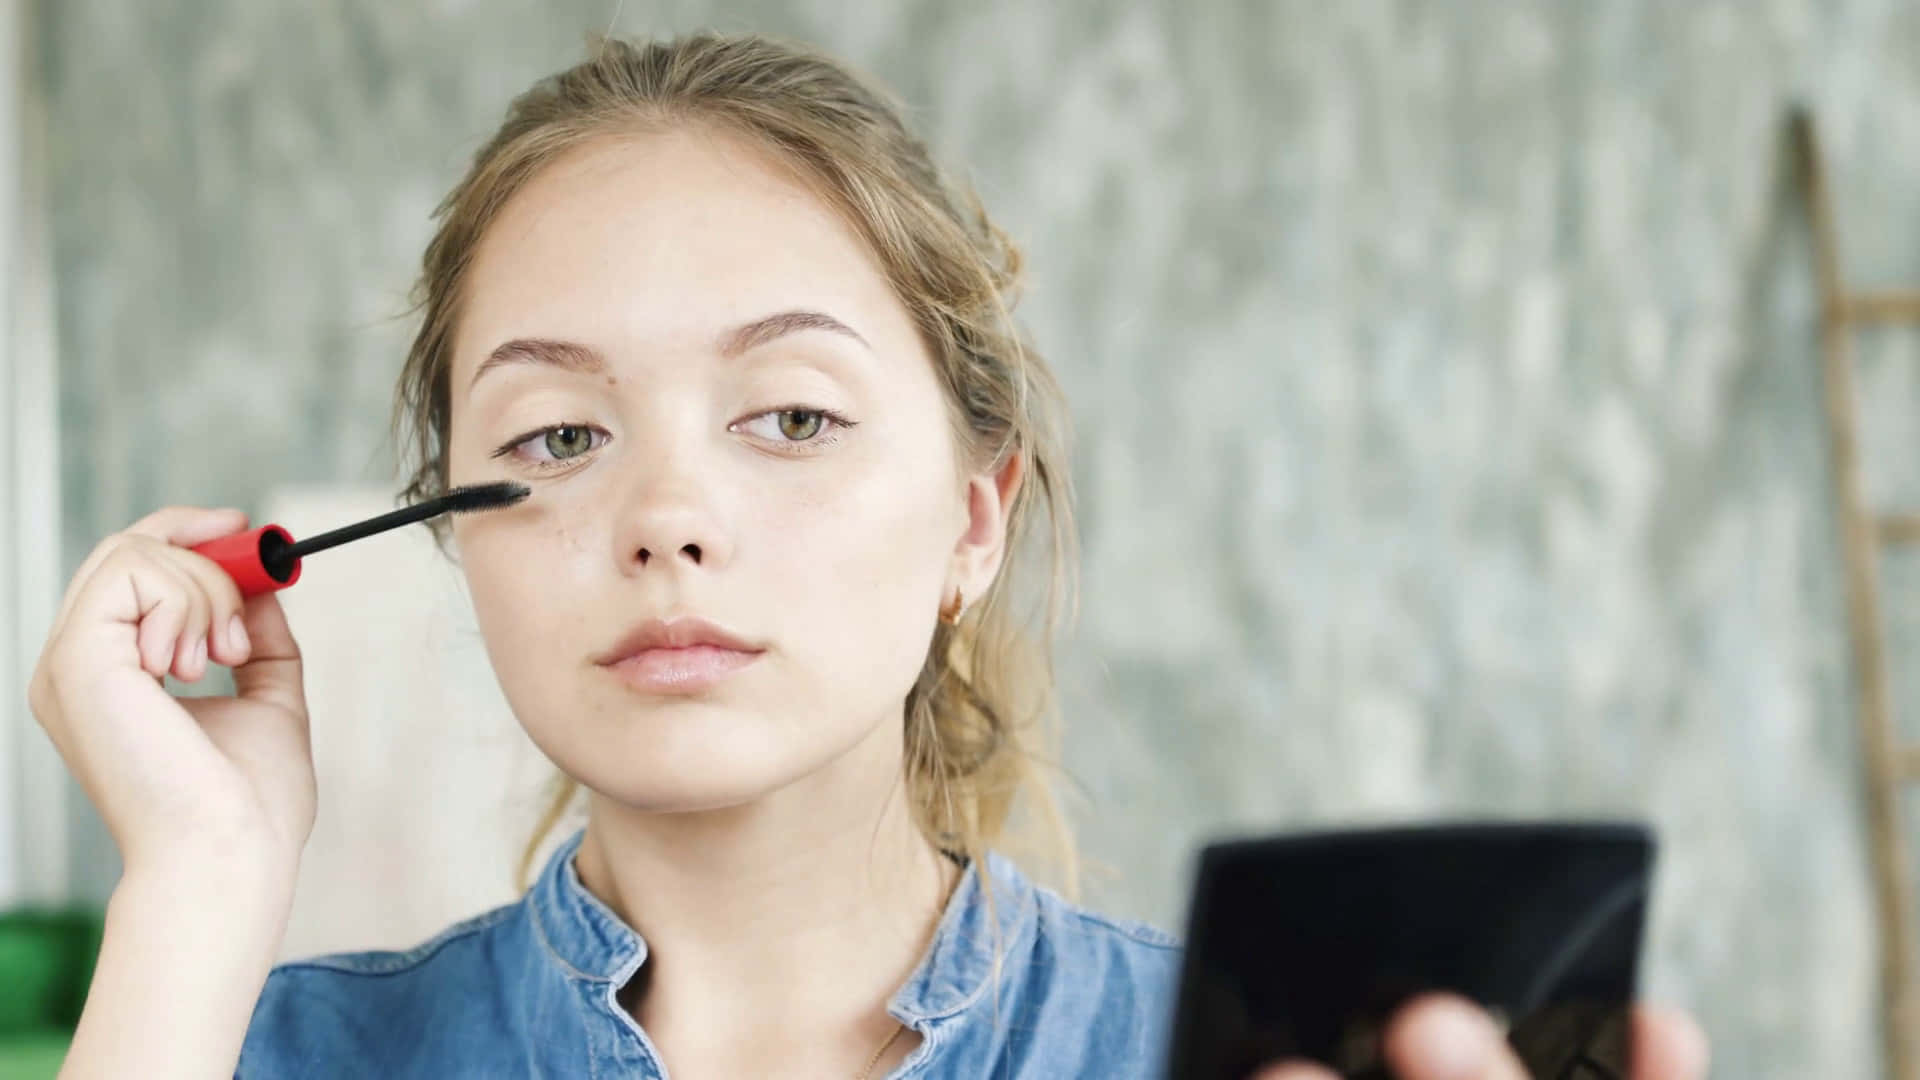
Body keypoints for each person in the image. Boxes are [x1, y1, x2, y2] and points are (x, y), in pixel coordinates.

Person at [28, 32, 1709, 1080]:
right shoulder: (238, 1050)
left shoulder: (1233, 1061)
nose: (667, 518)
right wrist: (198, 883)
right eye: (556, 438)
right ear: (457, 541)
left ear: (972, 523)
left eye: (794, 419)